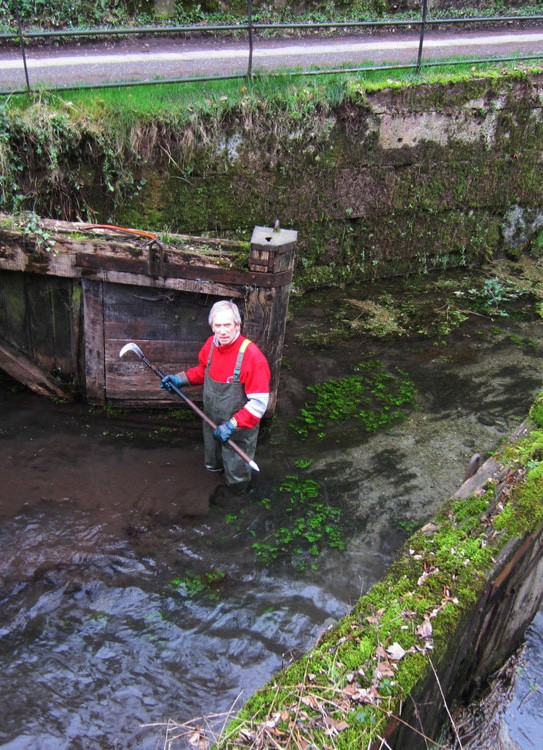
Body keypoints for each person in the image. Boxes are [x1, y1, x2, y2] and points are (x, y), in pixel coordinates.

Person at [160, 300, 271, 499]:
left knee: (236, 475)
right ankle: (211, 491)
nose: (222, 331)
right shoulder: (211, 345)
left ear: (238, 325)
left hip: (238, 429)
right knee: (212, 464)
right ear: (212, 327)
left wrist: (232, 425)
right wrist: (180, 379)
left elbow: (259, 403)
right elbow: (203, 371)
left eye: (227, 325)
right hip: (211, 420)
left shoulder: (253, 357)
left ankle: (237, 502)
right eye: (217, 326)